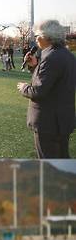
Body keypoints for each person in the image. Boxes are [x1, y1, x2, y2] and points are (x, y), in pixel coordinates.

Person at [17, 19, 76, 158]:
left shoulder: (51, 56)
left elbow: (38, 91)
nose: (36, 39)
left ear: (46, 36)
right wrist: (34, 65)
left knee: (48, 163)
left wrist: (24, 87)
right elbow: (53, 82)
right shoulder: (67, 55)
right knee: (62, 160)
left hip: (48, 122)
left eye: (37, 36)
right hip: (62, 120)